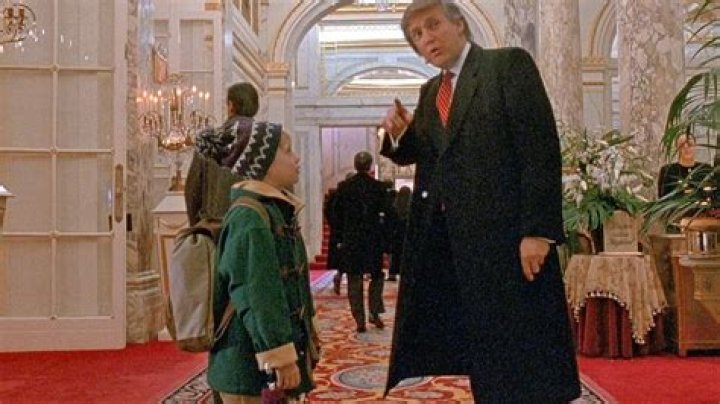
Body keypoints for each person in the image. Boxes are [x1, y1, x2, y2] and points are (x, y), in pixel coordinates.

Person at [379, 1, 581, 402]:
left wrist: (537, 232)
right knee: (484, 352)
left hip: (511, 243)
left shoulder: (506, 66)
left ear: (459, 24)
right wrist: (399, 134)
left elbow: (539, 151)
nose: (427, 38)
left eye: (433, 25)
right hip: (458, 249)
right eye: (417, 35)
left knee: (527, 352)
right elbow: (426, 152)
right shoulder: (431, 92)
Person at [207, 124, 319, 403]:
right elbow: (258, 295)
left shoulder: (272, 210)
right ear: (263, 162)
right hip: (247, 366)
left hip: (260, 363)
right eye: (287, 151)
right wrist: (280, 357)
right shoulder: (250, 217)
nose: (296, 158)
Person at [185, 82, 260, 226]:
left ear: (230, 105)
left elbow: (192, 191)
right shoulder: (266, 139)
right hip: (255, 226)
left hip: (216, 226)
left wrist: (197, 226)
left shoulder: (208, 139)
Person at [333, 151, 390, 333]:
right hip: (373, 239)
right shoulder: (379, 187)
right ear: (370, 166)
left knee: (354, 279)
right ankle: (374, 312)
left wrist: (340, 236)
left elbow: (335, 214)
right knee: (377, 276)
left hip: (352, 240)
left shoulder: (344, 187)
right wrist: (386, 240)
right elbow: (387, 215)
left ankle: (359, 319)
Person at [658, 130, 713, 199]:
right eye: (682, 145)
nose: (686, 147)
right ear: (677, 148)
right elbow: (663, 198)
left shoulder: (706, 169)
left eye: (690, 144)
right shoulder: (667, 170)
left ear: (695, 146)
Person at [387, 186, 412, 281]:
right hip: (406, 235)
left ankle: (392, 273)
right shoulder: (411, 209)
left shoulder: (394, 207)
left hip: (396, 235)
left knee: (395, 254)